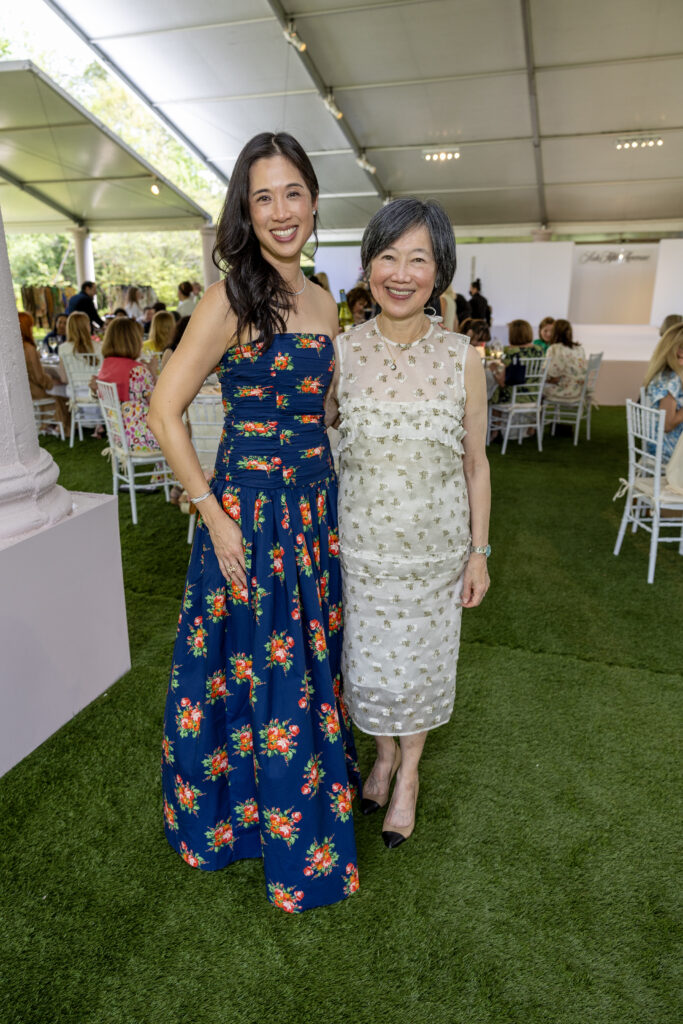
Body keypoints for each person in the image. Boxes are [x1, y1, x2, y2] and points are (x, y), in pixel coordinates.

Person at [147, 131, 361, 913]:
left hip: (314, 508)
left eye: (292, 193)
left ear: (313, 200)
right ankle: (238, 825)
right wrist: (212, 512)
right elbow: (162, 409)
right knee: (245, 671)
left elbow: (328, 409)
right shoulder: (230, 296)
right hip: (248, 515)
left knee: (303, 668)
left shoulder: (324, 299)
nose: (279, 211)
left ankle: (290, 816)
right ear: (245, 208)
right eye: (262, 196)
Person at [326, 197, 491, 849]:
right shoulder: (339, 353)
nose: (400, 272)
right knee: (368, 670)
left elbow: (475, 464)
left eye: (417, 258)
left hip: (436, 556)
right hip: (361, 552)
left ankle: (409, 772)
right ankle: (383, 753)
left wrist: (478, 551)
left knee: (418, 670)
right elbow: (315, 434)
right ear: (368, 267)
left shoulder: (462, 358)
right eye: (386, 256)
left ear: (438, 270)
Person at [96, 317, 160, 452]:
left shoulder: (106, 366)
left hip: (118, 436)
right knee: (180, 429)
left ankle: (162, 474)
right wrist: (153, 372)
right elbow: (157, 403)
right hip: (140, 436)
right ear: (133, 340)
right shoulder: (137, 371)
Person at [19, 311, 69, 432]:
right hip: (34, 391)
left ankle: (50, 425)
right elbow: (39, 377)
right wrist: (51, 382)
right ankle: (67, 428)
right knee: (62, 396)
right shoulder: (29, 349)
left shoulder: (18, 347)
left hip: (25, 390)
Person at [643, 323, 683, 464]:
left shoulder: (669, 375)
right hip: (668, 452)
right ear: (680, 352)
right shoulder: (670, 381)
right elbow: (667, 425)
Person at [543, 319, 587, 403]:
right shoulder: (579, 349)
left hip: (565, 391)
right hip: (579, 391)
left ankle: (536, 415)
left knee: (537, 387)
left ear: (554, 333)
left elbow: (553, 376)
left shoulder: (555, 348)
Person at [57, 311, 96, 383]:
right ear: (88, 327)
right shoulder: (100, 346)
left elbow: (64, 379)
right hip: (96, 391)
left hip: (74, 392)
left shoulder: (63, 348)